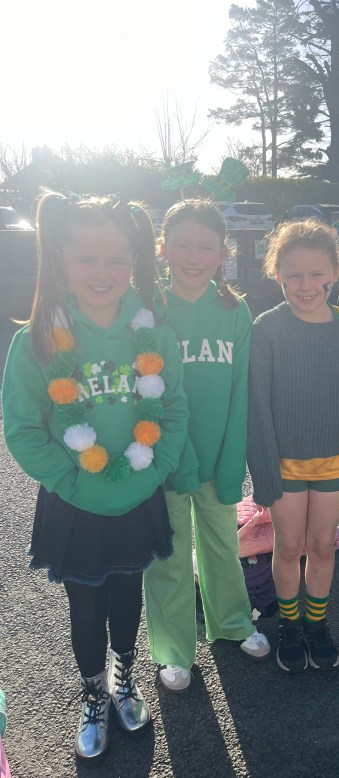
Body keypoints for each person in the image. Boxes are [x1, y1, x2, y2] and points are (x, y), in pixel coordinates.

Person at [1, 191, 188, 759]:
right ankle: (91, 693)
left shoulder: (155, 333)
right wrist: (72, 482)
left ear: (134, 261)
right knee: (85, 607)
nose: (102, 273)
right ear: (60, 258)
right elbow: (23, 429)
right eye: (86, 259)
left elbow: (174, 409)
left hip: (138, 492)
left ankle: (124, 678)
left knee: (128, 593)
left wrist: (153, 471)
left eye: (116, 259)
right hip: (75, 500)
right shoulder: (36, 339)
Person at [143, 200, 270, 694]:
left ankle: (233, 622)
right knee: (169, 554)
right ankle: (174, 649)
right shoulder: (148, 308)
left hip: (217, 458)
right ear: (162, 249)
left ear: (223, 253)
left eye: (206, 247)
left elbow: (241, 392)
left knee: (222, 545)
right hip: (166, 460)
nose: (193, 257)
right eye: (182, 246)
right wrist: (167, 456)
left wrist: (232, 458)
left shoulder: (235, 310)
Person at [248, 219, 339, 672]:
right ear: (277, 274)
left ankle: (316, 623)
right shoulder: (266, 328)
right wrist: (263, 473)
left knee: (321, 545)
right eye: (294, 275)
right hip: (283, 465)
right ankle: (289, 624)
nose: (305, 285)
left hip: (335, 461)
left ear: (335, 274)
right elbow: (257, 408)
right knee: (287, 546)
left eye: (316, 273)